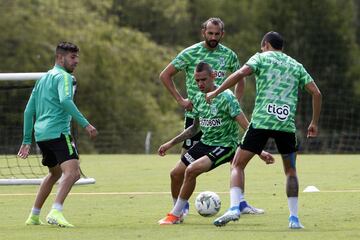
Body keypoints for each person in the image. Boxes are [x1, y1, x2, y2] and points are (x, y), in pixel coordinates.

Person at [206, 31, 322, 229]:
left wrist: (216, 91)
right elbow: (316, 93)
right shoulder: (296, 65)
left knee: (237, 164)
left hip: (261, 122)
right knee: (291, 172)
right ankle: (294, 219)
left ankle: (234, 207)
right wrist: (314, 122)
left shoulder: (260, 57)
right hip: (285, 125)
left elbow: (241, 73)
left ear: (266, 44)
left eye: (262, 47)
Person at [159, 17, 262, 216]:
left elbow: (240, 78)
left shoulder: (229, 55)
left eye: (217, 34)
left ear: (222, 34)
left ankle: (240, 203)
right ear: (203, 32)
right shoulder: (190, 53)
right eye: (210, 33)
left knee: (235, 160)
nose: (213, 37)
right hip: (197, 113)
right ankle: (182, 207)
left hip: (223, 114)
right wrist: (181, 100)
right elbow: (165, 75)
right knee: (186, 163)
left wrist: (234, 101)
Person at [158, 62, 274, 225]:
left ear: (213, 77)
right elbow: (194, 128)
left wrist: (259, 150)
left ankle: (174, 214)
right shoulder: (198, 97)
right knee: (175, 173)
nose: (200, 84)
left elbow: (245, 124)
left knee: (191, 170)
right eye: (197, 80)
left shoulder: (227, 97)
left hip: (225, 145)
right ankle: (181, 211)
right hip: (205, 143)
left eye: (203, 80)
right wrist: (170, 143)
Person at [18, 42, 98, 228]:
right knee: (74, 173)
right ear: (60, 58)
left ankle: (34, 215)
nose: (76, 61)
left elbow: (28, 111)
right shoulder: (64, 78)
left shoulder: (43, 78)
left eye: (77, 57)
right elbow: (65, 101)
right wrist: (86, 124)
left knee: (55, 173)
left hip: (42, 136)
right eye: (72, 57)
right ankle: (56, 211)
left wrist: (26, 140)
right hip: (59, 133)